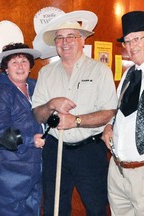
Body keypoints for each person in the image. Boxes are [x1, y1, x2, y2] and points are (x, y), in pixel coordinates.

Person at [32, 10, 118, 215]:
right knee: (55, 207)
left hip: (89, 150)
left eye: (71, 36)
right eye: (60, 38)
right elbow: (38, 114)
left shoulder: (100, 71)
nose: (65, 42)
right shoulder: (46, 73)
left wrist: (75, 121)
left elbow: (108, 112)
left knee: (96, 207)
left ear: (82, 40)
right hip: (54, 149)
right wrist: (51, 104)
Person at [102, 11, 144, 215]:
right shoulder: (129, 74)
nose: (131, 46)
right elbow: (120, 112)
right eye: (127, 41)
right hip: (118, 172)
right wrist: (109, 126)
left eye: (136, 39)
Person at [0, 43, 45, 216]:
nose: (20, 66)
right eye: (14, 62)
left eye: (24, 61)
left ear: (30, 66)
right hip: (9, 173)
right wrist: (31, 140)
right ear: (6, 69)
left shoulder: (37, 89)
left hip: (34, 168)